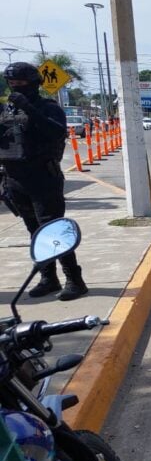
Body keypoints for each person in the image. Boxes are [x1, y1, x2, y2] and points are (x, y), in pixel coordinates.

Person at [0, 62, 88, 300]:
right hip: (15, 179)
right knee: (35, 232)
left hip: (43, 178)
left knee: (54, 230)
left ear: (34, 83)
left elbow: (57, 132)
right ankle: (48, 278)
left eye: (21, 83)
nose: (16, 88)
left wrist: (30, 109)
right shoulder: (7, 111)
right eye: (12, 83)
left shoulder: (48, 108)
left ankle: (75, 280)